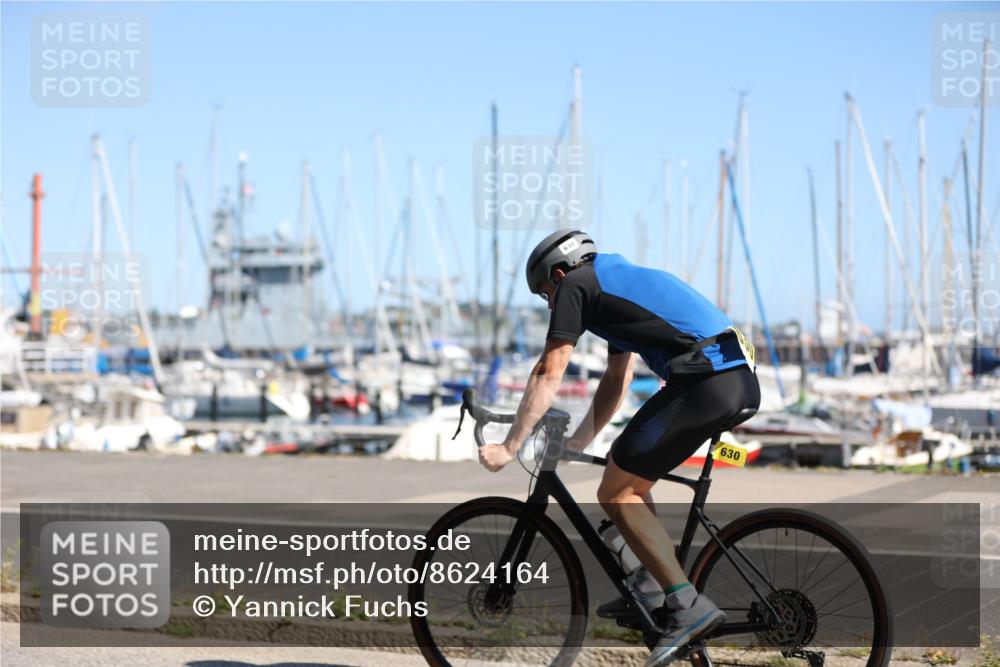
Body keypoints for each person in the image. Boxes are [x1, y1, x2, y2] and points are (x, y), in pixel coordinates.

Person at [478, 228, 760, 667]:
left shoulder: (577, 284)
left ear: (558, 274)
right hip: (733, 379)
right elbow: (616, 380)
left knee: (613, 491)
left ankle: (686, 606)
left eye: (544, 294)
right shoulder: (611, 284)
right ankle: (652, 587)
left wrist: (510, 445)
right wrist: (577, 442)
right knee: (626, 474)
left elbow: (550, 368)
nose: (550, 303)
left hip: (707, 380)